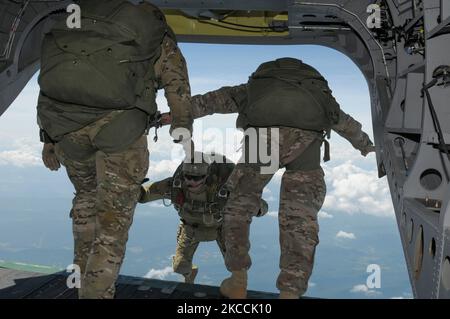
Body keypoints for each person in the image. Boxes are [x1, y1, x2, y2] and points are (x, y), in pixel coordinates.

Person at [37, 0, 193, 298]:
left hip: (66, 130)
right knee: (112, 223)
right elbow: (178, 87)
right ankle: (96, 293)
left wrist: (48, 140)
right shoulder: (154, 30)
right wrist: (182, 128)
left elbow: (52, 82)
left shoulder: (79, 24)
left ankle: (82, 277)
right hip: (120, 131)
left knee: (85, 198)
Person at [189, 57, 376, 299]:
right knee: (299, 218)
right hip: (307, 144)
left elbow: (212, 101)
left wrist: (176, 116)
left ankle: (238, 280)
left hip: (263, 142)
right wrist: (365, 144)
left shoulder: (254, 88)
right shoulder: (316, 93)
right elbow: (342, 121)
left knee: (238, 207)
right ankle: (290, 292)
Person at [139, 152, 268, 284]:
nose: (191, 182)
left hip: (221, 227)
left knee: (238, 265)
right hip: (191, 227)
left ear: (206, 175)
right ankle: (189, 276)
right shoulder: (175, 185)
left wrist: (255, 208)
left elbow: (260, 205)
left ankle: (237, 288)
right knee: (180, 266)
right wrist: (135, 189)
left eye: (197, 178)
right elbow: (146, 194)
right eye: (188, 177)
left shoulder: (225, 189)